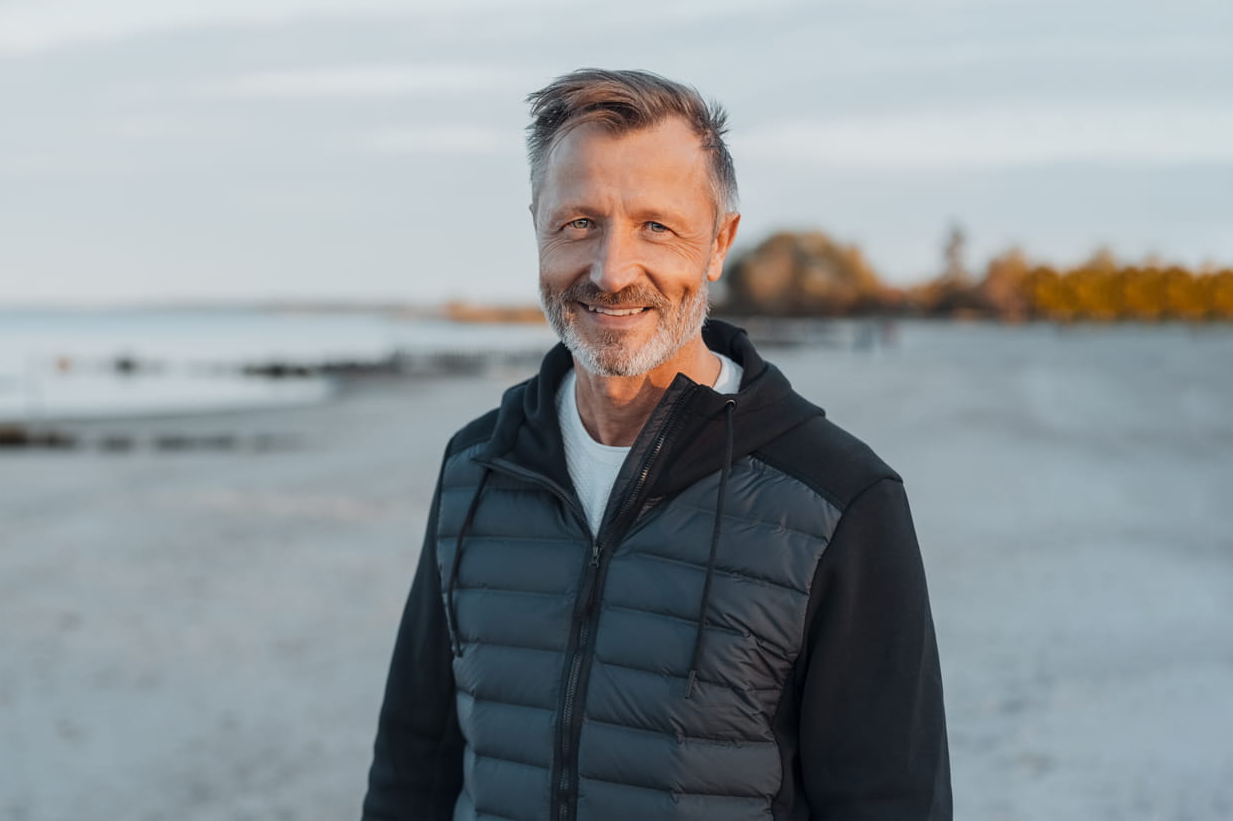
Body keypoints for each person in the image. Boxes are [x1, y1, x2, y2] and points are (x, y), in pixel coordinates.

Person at [362, 69, 950, 820]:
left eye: (656, 226)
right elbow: (412, 768)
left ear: (718, 243)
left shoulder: (841, 500)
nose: (611, 271)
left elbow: (891, 801)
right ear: (537, 225)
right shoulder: (475, 469)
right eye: (578, 222)